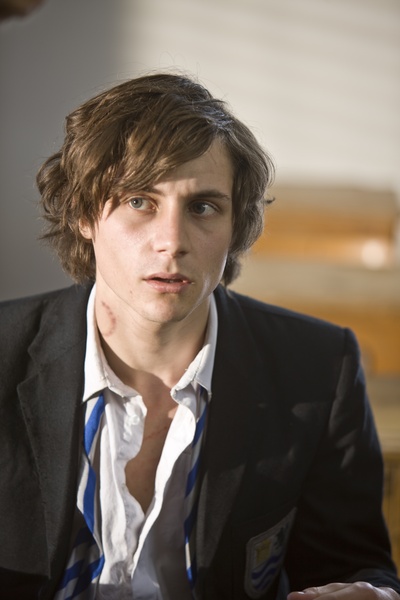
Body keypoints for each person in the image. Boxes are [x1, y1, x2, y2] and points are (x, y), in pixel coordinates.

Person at [0, 73, 399, 600]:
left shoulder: (321, 367)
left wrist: (373, 593)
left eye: (203, 207)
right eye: (139, 201)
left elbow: (355, 564)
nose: (172, 242)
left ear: (236, 226)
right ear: (83, 215)